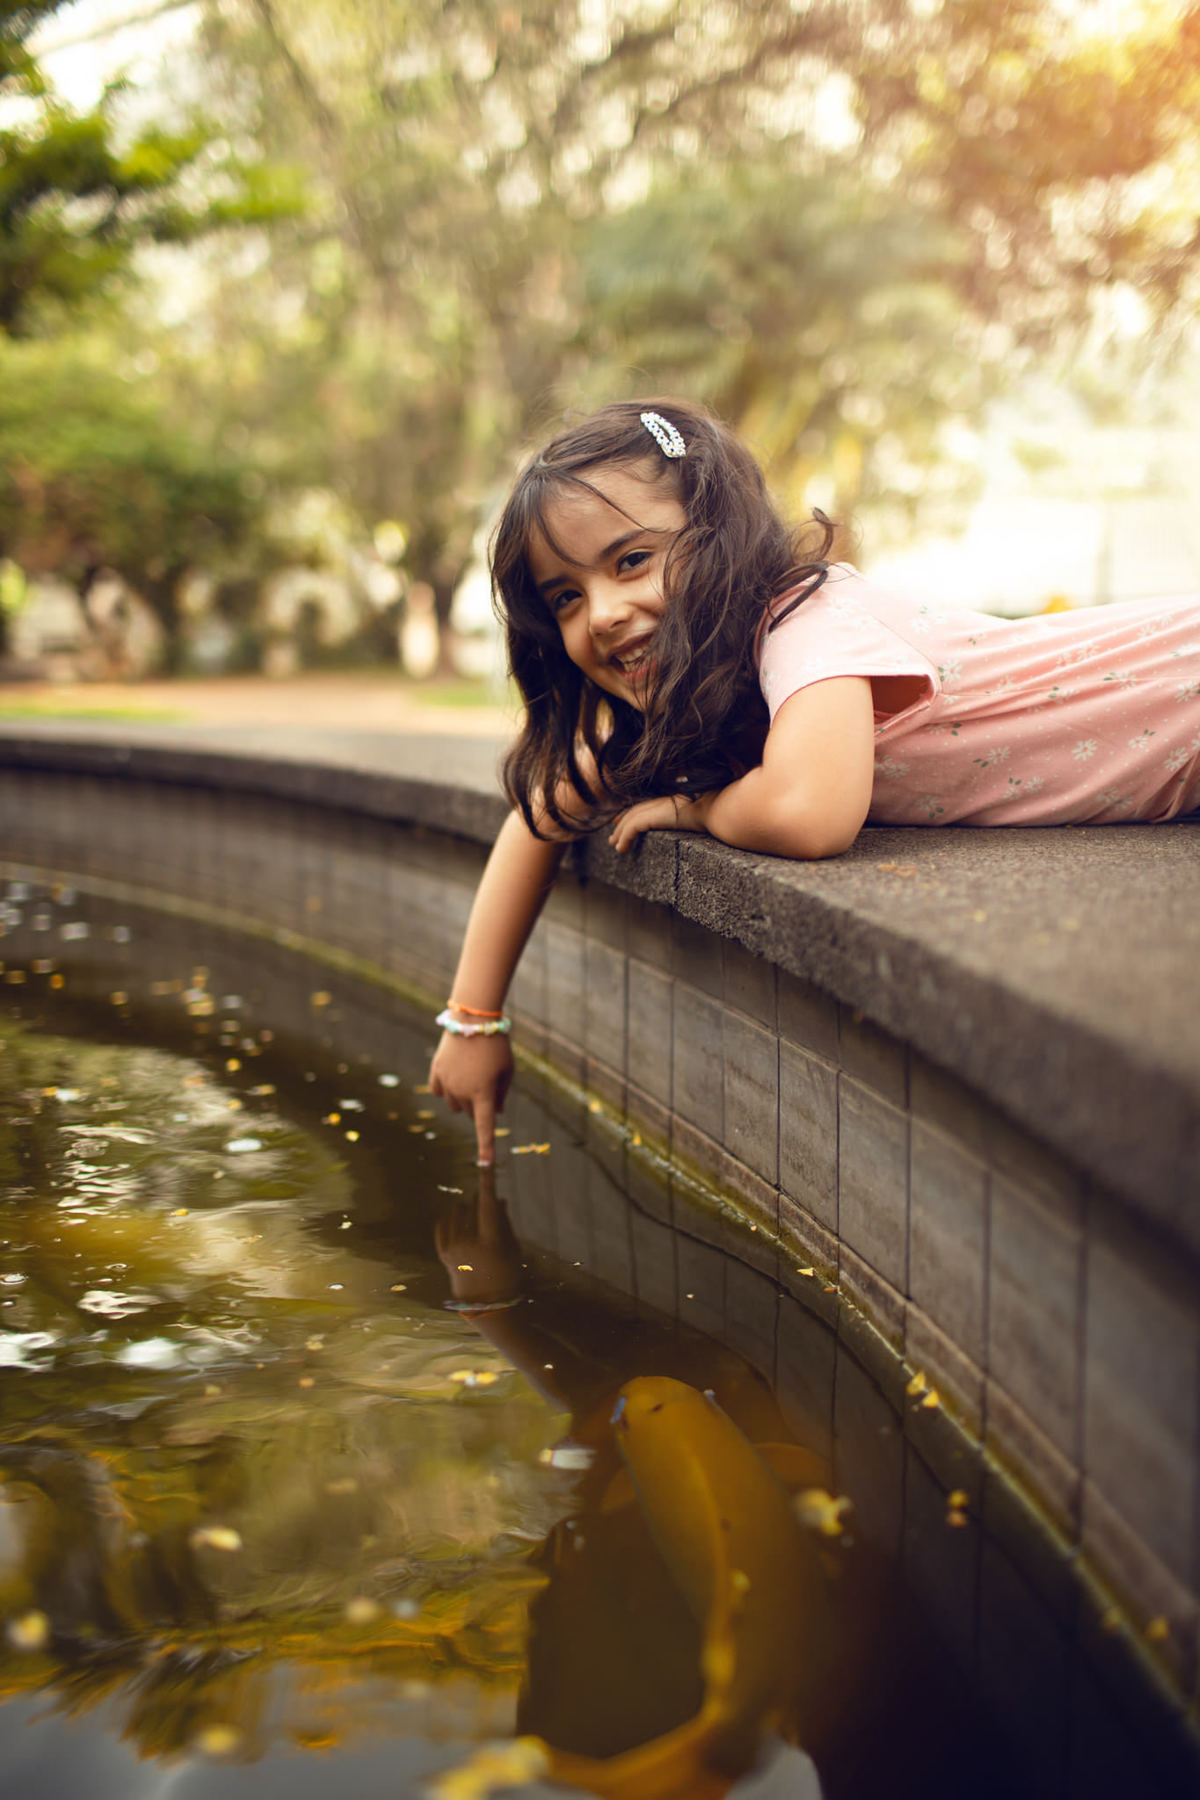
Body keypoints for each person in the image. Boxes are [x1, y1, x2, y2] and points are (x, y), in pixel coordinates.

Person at [430, 398, 1200, 1162]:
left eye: (632, 561)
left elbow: (807, 814)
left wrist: (697, 810)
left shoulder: (809, 621)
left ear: (719, 537)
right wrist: (473, 1020)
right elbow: (543, 813)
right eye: (566, 596)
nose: (601, 613)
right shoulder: (702, 703)